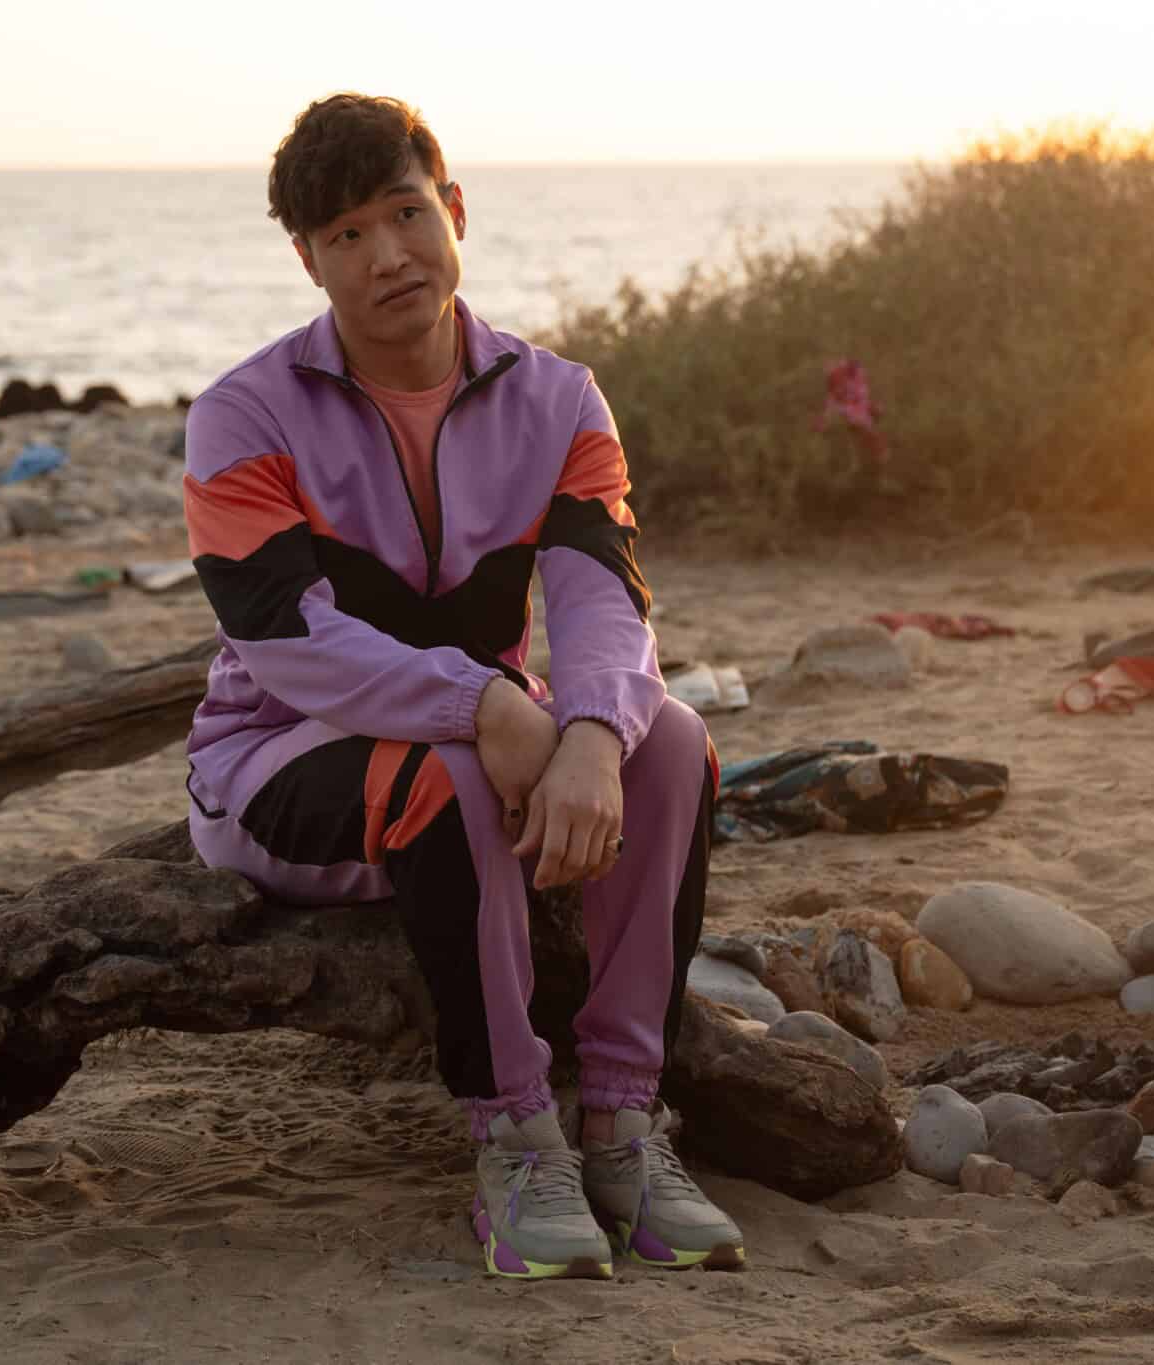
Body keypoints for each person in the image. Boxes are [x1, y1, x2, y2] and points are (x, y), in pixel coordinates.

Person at [180, 93, 743, 1280]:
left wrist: (589, 733)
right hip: (279, 758)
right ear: (307, 259)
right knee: (445, 771)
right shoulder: (242, 415)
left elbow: (602, 596)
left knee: (673, 739)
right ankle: (514, 1135)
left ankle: (623, 1125)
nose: (385, 253)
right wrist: (484, 704)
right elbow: (284, 639)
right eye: (344, 234)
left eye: (403, 212)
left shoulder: (559, 400)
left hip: (491, 742)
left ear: (453, 210)